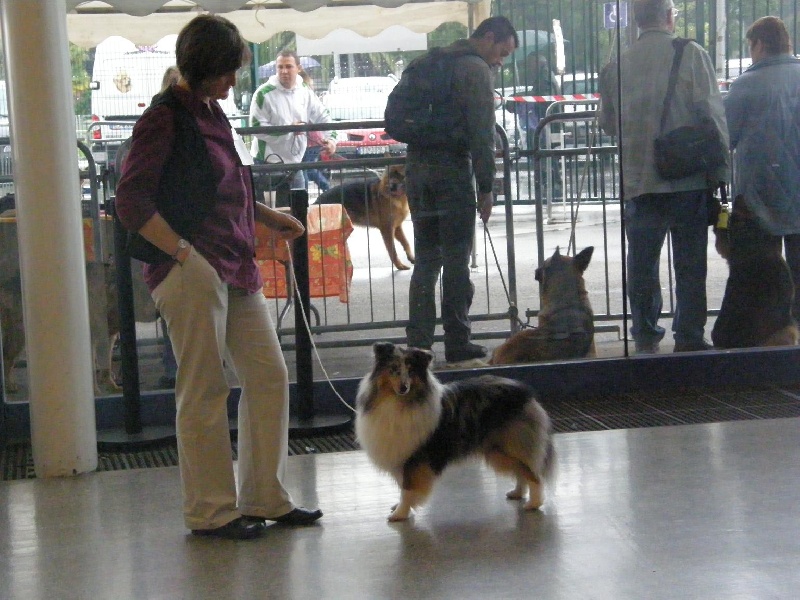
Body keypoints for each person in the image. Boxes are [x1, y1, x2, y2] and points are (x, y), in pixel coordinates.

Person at [115, 14, 322, 540]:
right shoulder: (164, 118)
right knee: (204, 387)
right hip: (191, 269)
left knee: (268, 376)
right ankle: (211, 510)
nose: (234, 82)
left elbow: (230, 184)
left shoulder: (211, 112)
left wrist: (270, 218)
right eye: (226, 71)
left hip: (232, 262)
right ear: (202, 67)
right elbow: (131, 200)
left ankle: (263, 496)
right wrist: (183, 253)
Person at [598, 0, 729, 354]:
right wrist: (722, 172)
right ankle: (688, 335)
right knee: (689, 264)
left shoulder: (616, 66)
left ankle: (644, 333)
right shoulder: (691, 54)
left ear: (637, 21)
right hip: (687, 180)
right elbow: (712, 115)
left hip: (639, 181)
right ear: (670, 17)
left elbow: (608, 124)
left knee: (642, 263)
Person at [405, 16, 518, 363]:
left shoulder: (430, 60)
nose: (500, 60)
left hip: (417, 171)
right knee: (456, 261)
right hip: (452, 174)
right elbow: (482, 134)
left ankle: (419, 344)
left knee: (425, 262)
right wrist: (487, 187)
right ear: (486, 38)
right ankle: (457, 340)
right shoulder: (474, 69)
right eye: (502, 51)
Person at [724, 16, 800, 320]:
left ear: (759, 44)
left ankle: (771, 323)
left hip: (760, 190)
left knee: (764, 265)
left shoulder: (745, 85)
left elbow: (726, 135)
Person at [248, 50, 336, 196]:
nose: (284, 71)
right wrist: (289, 130)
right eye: (280, 67)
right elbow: (256, 127)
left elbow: (323, 116)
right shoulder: (263, 93)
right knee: (273, 211)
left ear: (298, 68)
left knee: (299, 205)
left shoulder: (305, 91)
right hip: (267, 162)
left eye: (288, 66)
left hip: (295, 162)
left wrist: (332, 140)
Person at [298, 68, 331, 193]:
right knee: (307, 168)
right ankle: (325, 188)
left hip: (310, 141)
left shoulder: (305, 98)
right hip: (313, 140)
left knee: (306, 169)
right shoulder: (308, 97)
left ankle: (324, 189)